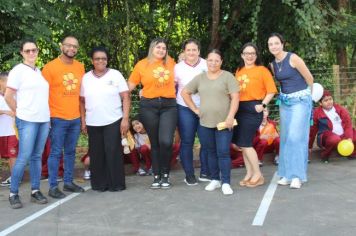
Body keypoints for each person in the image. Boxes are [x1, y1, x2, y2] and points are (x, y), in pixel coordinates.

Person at [181, 49, 239, 195]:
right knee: (210, 152)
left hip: (224, 123)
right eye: (210, 60)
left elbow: (235, 97)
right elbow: (184, 93)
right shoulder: (200, 78)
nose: (213, 63)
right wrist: (195, 109)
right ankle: (215, 179)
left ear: (221, 62)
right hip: (205, 123)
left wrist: (230, 117)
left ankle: (225, 182)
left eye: (216, 60)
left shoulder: (227, 76)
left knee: (223, 152)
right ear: (206, 61)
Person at [5, 39, 50, 209]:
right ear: (22, 53)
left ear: (38, 51)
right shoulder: (18, 71)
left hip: (43, 120)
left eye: (34, 50)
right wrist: (18, 113)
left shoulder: (38, 71)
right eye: (27, 50)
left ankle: (35, 191)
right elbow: (9, 96)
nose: (31, 53)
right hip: (27, 120)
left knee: (37, 156)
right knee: (23, 157)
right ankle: (13, 193)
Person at [128, 38, 177, 189]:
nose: (161, 50)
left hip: (169, 106)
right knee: (154, 143)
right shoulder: (141, 64)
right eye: (158, 47)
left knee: (166, 141)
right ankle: (157, 176)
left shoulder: (171, 63)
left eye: (164, 48)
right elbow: (129, 85)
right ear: (152, 49)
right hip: (149, 106)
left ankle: (165, 173)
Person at [80, 46, 130, 192]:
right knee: (96, 154)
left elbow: (126, 97)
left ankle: (116, 184)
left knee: (113, 152)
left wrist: (125, 118)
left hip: (113, 120)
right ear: (92, 61)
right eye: (97, 58)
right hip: (92, 122)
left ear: (107, 60)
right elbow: (82, 101)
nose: (100, 61)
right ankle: (99, 185)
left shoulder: (115, 75)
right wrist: (83, 121)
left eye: (103, 58)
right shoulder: (86, 78)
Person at [268, 33, 313, 189]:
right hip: (285, 103)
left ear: (282, 44)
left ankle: (297, 176)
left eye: (276, 43)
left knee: (296, 137)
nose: (273, 46)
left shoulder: (293, 58)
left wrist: (308, 100)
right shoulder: (273, 65)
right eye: (270, 44)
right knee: (286, 138)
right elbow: (281, 84)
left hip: (301, 101)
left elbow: (310, 79)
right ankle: (286, 174)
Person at [42, 35, 85, 199]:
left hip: (74, 117)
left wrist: (82, 118)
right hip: (57, 117)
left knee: (70, 152)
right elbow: (42, 94)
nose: (72, 49)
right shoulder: (50, 68)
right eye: (69, 45)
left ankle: (68, 182)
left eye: (75, 46)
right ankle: (53, 186)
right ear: (62, 46)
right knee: (55, 153)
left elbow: (81, 96)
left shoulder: (80, 67)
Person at [233, 43, 277, 188]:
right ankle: (249, 173)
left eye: (252, 53)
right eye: (247, 53)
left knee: (246, 143)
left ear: (256, 55)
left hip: (253, 109)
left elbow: (271, 90)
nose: (249, 56)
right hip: (240, 109)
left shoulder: (262, 70)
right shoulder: (238, 71)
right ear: (242, 55)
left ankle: (258, 174)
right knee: (243, 144)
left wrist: (263, 105)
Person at [174, 38, 209, 185]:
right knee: (187, 141)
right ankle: (189, 174)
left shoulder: (207, 64)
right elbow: (172, 87)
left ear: (199, 51)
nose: (191, 52)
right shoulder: (177, 67)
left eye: (194, 49)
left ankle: (205, 172)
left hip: (205, 107)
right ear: (184, 52)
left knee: (206, 141)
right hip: (184, 108)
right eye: (188, 50)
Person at [309, 90, 355, 162]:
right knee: (334, 139)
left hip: (342, 135)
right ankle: (325, 155)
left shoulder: (340, 109)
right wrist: (310, 145)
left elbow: (348, 124)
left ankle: (351, 153)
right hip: (326, 136)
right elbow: (313, 130)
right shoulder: (317, 113)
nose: (329, 102)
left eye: (330, 99)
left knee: (353, 135)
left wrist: (349, 138)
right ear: (320, 103)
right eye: (326, 100)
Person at [0, 72, 18, 187]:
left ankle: (15, 178)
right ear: (1, 82)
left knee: (12, 155)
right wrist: (6, 112)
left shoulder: (14, 95)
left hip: (12, 131)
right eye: (8, 81)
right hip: (1, 132)